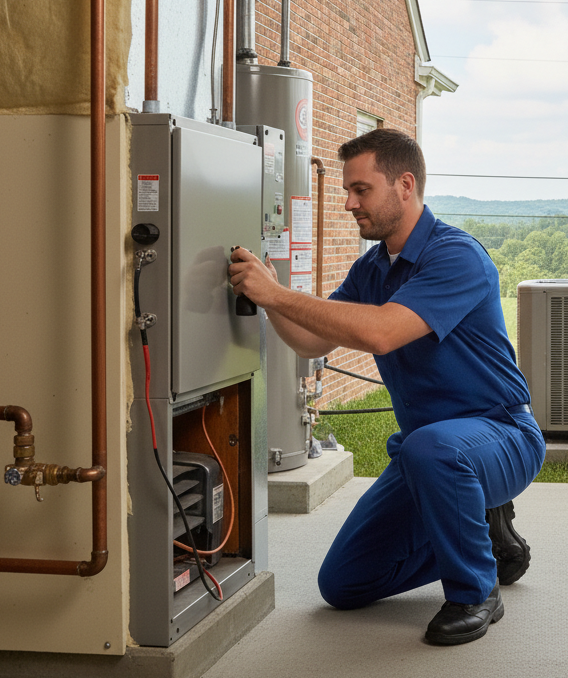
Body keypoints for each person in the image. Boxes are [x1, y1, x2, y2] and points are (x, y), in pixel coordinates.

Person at [229, 129, 544, 646]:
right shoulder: (372, 268)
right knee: (344, 584)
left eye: (361, 190)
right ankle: (481, 534)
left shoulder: (456, 256)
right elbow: (311, 341)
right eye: (347, 191)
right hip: (429, 455)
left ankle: (475, 591)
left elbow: (381, 332)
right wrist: (267, 297)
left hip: (501, 434)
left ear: (405, 185)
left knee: (431, 448)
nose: (349, 203)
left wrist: (279, 294)